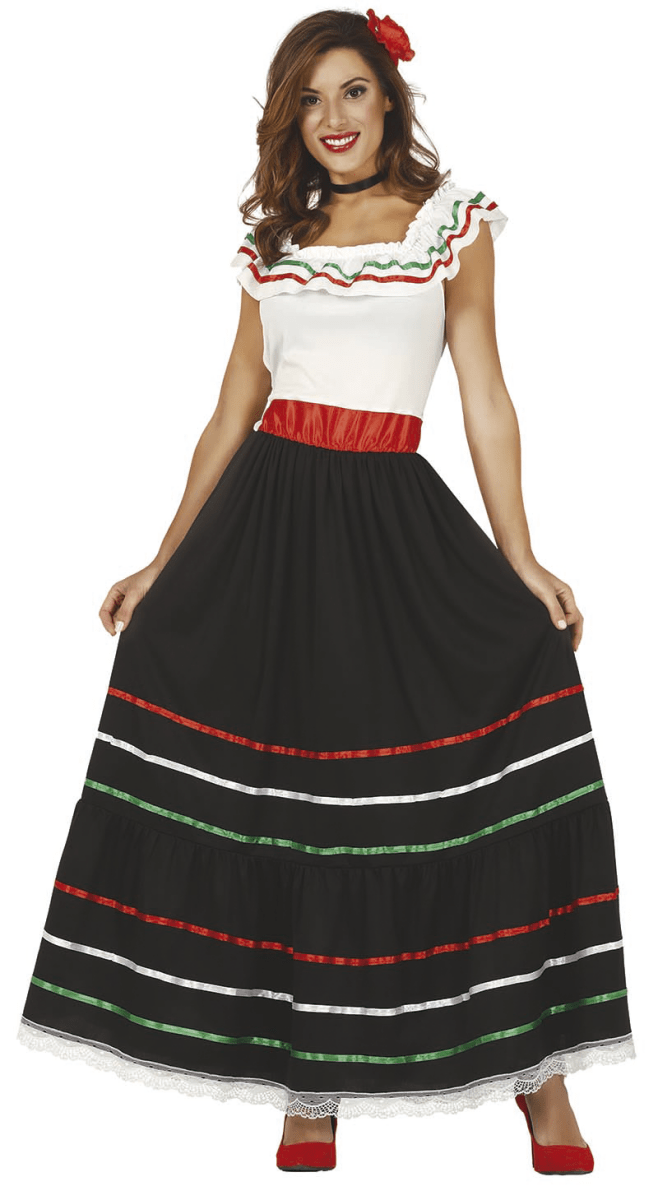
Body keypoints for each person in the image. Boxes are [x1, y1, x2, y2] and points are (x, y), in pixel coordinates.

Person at [17, 6, 635, 1177]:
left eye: (352, 91)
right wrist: (162, 559)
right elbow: (230, 409)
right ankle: (312, 1078)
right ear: (286, 119)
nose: (332, 118)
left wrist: (520, 555)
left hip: (392, 524)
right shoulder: (276, 242)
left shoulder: (450, 226)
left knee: (453, 785)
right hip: (267, 532)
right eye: (308, 99)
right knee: (290, 804)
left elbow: (485, 395)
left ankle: (538, 1073)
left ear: (388, 99)